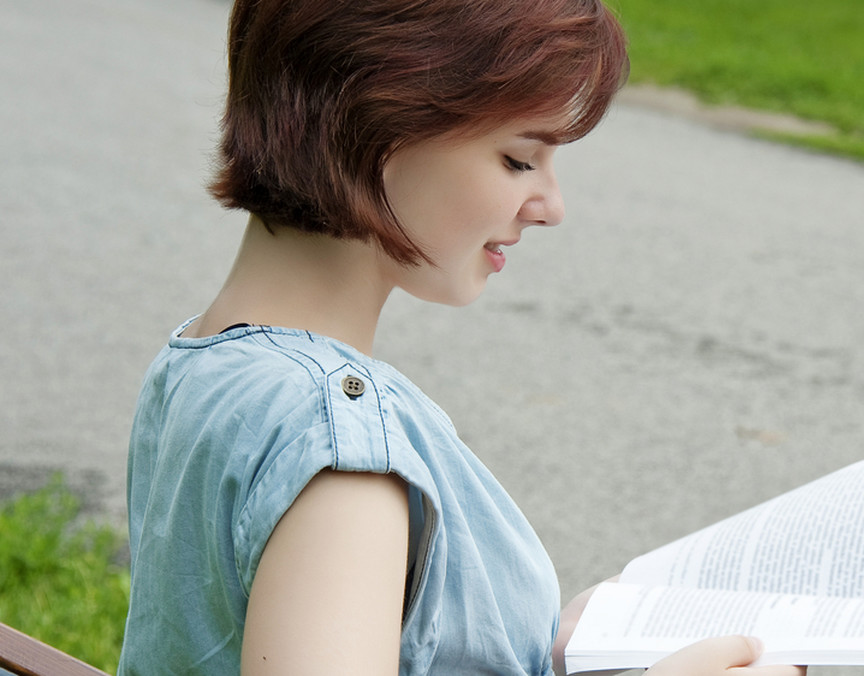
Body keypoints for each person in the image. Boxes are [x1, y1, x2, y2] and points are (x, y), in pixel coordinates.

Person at [118, 1, 807, 675]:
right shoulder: (339, 453)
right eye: (518, 159)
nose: (551, 207)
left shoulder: (205, 364)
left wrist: (533, 643)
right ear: (377, 124)